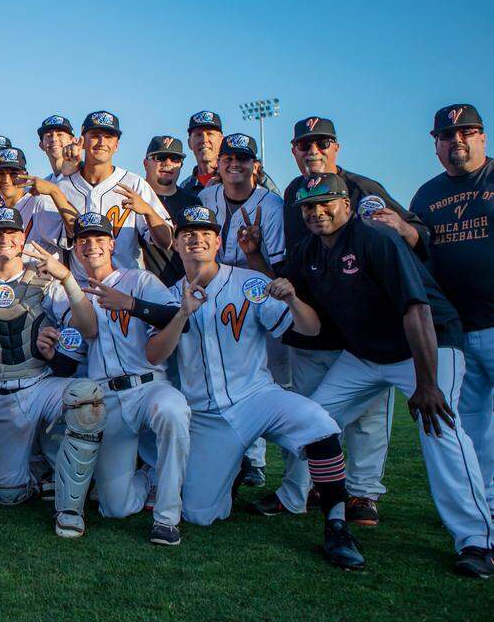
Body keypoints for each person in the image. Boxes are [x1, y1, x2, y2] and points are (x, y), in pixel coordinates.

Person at [283, 172, 493, 577]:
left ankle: (476, 540)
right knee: (312, 421)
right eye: (309, 206)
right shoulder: (309, 249)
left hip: (426, 347)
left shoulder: (375, 239)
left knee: (439, 428)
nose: (317, 211)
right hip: (365, 355)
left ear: (347, 205)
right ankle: (324, 506)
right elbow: (288, 289)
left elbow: (417, 309)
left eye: (326, 202)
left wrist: (427, 383)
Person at [146, 204, 364, 570]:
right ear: (176, 244)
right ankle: (233, 467)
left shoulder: (249, 282)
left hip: (258, 397)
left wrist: (293, 299)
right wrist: (181, 313)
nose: (197, 239)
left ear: (218, 242)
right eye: (188, 234)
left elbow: (310, 329)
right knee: (200, 514)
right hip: (207, 415)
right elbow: (154, 355)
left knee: (319, 422)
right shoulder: (166, 295)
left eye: (205, 233)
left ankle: (337, 525)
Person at [255, 116, 428, 523]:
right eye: (304, 144)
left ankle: (363, 494)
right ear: (294, 151)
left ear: (336, 147)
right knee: (308, 410)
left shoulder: (362, 187)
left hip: (363, 326)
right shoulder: (294, 191)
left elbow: (417, 231)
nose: (313, 151)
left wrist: (402, 228)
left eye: (322, 143)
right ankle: (301, 489)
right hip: (313, 322)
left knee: (368, 418)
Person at [0, 206, 102, 537]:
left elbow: (88, 327)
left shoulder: (45, 281)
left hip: (41, 384)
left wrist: (66, 278)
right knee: (7, 494)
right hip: (0, 395)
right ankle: (40, 473)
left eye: (11, 233)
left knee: (86, 398)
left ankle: (69, 509)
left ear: (22, 239)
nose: (3, 239)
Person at [71, 212, 192, 545]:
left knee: (172, 410)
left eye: (99, 239)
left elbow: (168, 332)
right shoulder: (73, 292)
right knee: (115, 507)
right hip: (107, 397)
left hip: (150, 385)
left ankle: (167, 517)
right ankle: (151, 476)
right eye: (83, 240)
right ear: (75, 248)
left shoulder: (140, 280)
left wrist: (132, 304)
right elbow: (78, 343)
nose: (91, 246)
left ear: (112, 244)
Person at [410, 104, 493, 522]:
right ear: (436, 145)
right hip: (456, 330)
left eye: (466, 132)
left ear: (482, 137)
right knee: (472, 425)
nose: (456, 140)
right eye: (447, 135)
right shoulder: (426, 195)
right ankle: (488, 505)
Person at [198, 133, 287, 486]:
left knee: (260, 377)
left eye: (243, 158)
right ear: (218, 165)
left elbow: (277, 271)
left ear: (256, 166)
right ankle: (230, 453)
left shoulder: (272, 205)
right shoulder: (206, 197)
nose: (235, 163)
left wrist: (252, 256)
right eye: (228, 158)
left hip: (257, 293)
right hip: (215, 293)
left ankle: (256, 459)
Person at [54, 110, 173, 285]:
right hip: (80, 286)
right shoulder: (63, 186)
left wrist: (148, 212)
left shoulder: (134, 183)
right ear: (82, 141)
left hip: (125, 284)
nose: (102, 142)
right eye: (95, 135)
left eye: (108, 137)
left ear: (116, 145)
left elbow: (166, 242)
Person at [138, 136, 199, 287]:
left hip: (185, 287)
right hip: (141, 289)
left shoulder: (193, 203)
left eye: (175, 159)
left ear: (181, 165)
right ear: (146, 163)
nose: (168, 163)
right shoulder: (133, 196)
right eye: (160, 158)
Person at [179, 110, 280, 196]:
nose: (204, 140)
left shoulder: (248, 173)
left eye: (210, 134)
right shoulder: (185, 188)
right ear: (189, 143)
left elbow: (276, 202)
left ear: (221, 140)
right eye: (198, 135)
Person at [36, 115, 78, 180]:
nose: (54, 139)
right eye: (49, 135)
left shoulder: (86, 176)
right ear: (41, 145)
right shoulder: (45, 182)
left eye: (59, 134)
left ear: (73, 141)